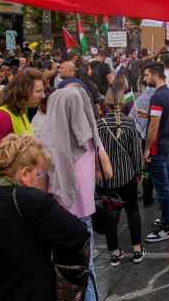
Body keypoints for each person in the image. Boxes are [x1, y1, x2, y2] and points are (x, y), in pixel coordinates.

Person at [0, 134, 90, 301]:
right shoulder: (33, 201)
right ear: (26, 174)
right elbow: (78, 234)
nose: (47, 184)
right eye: (42, 175)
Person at [39, 81, 113, 301]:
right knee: (86, 268)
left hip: (57, 213)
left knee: (63, 268)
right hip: (82, 214)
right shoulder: (89, 141)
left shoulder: (47, 140)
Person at [97, 82, 144, 265]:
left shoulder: (99, 125)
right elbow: (136, 151)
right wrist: (139, 171)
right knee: (132, 210)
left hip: (105, 180)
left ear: (106, 103)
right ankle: (137, 249)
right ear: (123, 102)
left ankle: (115, 252)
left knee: (109, 213)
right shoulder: (129, 123)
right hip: (127, 175)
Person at [0, 68, 45, 176]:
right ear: (23, 92)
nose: (43, 96)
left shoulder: (22, 111)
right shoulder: (1, 117)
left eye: (43, 91)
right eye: (38, 91)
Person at [141, 61, 169, 243]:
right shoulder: (168, 93)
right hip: (167, 144)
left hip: (158, 147)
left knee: (163, 189)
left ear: (155, 75)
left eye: (147, 75)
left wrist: (147, 149)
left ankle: (167, 225)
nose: (145, 78)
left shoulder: (157, 96)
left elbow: (154, 125)